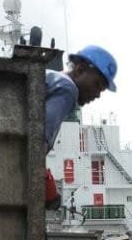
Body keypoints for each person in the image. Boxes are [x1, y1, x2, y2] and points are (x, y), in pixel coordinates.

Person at [44, 45, 117, 208]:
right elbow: (36, 141)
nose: (98, 95)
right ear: (79, 70)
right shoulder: (67, 88)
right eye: (97, 85)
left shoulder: (51, 79)